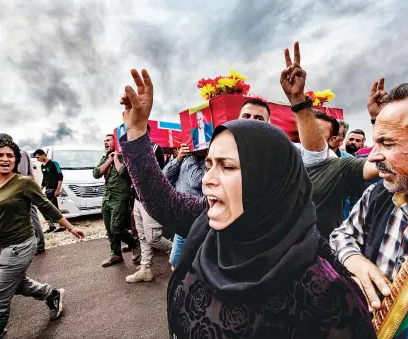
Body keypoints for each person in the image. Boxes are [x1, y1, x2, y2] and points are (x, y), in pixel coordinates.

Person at [118, 43, 376, 337]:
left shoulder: (324, 292)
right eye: (210, 164)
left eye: (227, 167)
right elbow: (161, 201)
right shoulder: (207, 225)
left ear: (268, 178)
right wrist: (137, 131)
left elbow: (314, 153)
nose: (208, 180)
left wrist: (300, 104)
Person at [0, 138, 84, 339]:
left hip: (20, 246)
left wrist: (69, 227)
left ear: (16, 159)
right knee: (18, 284)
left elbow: (46, 206)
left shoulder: (24, 183)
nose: (5, 159)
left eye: (10, 155)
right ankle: (51, 294)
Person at [330, 82, 408, 313]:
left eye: (386, 143)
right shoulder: (379, 192)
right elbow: (341, 235)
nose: (372, 157)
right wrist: (356, 261)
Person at [126, 125, 171, 283]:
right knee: (143, 236)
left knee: (153, 237)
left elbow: (152, 174)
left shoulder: (155, 149)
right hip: (137, 199)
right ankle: (146, 268)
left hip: (151, 199)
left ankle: (174, 250)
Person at [93, 133, 140, 267]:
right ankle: (116, 254)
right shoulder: (105, 157)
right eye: (104, 141)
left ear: (116, 142)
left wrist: (116, 158)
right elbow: (96, 173)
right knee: (109, 228)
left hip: (120, 197)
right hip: (107, 197)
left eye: (108, 140)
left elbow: (123, 173)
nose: (105, 143)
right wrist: (108, 160)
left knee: (116, 228)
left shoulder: (125, 156)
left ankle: (134, 243)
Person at [0, 133, 45, 254]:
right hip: (28, 189)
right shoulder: (24, 152)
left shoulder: (9, 155)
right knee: (33, 217)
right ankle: (40, 244)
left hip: (14, 193)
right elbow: (30, 174)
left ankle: (21, 248)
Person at [163, 143, 206, 270]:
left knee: (185, 259)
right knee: (175, 261)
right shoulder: (185, 158)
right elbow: (165, 175)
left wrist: (190, 157)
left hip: (196, 213)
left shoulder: (208, 159)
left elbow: (196, 181)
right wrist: (179, 159)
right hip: (181, 213)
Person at [33, 149, 65, 232]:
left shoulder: (54, 163)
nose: (37, 159)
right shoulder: (43, 166)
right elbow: (44, 179)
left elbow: (60, 177)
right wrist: (40, 188)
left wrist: (57, 190)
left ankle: (61, 226)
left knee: (50, 208)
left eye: (38, 157)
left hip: (54, 190)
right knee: (46, 208)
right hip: (48, 190)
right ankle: (52, 225)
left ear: (43, 155)